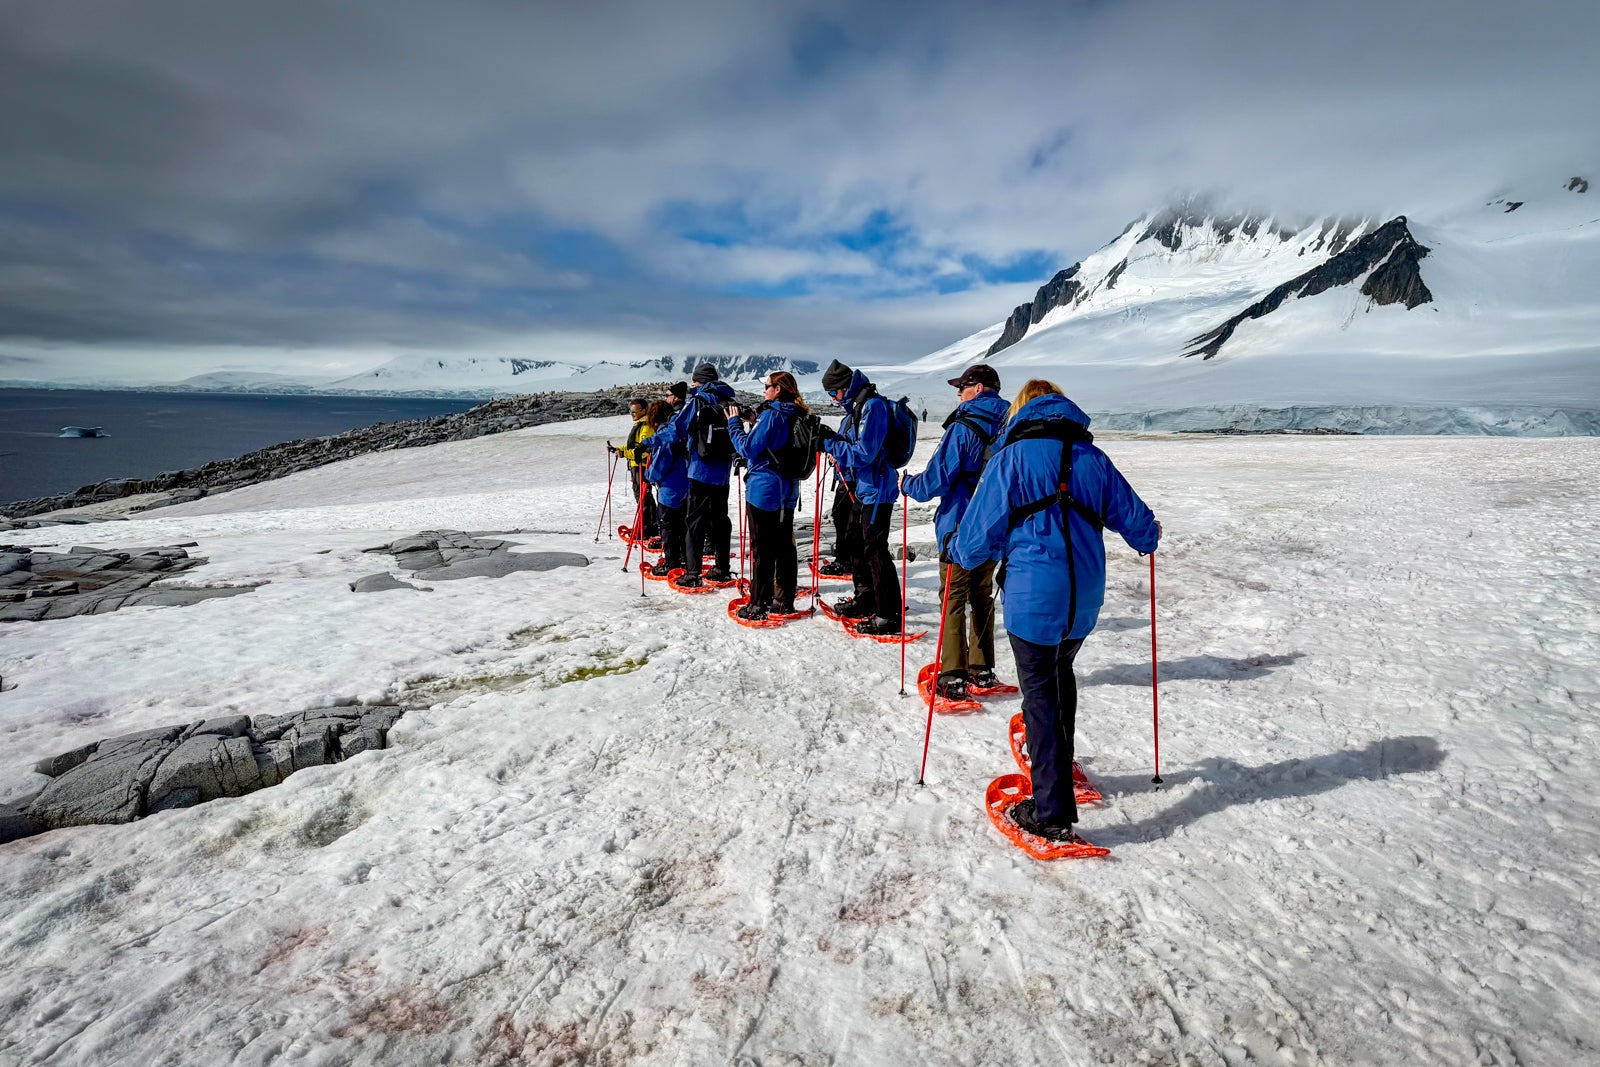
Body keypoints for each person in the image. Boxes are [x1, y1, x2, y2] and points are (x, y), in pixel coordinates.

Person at [951, 379, 1160, 846]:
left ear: (1023, 411)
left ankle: (1051, 812)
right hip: (1083, 599)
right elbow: (1143, 530)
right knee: (1061, 677)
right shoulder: (1094, 459)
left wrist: (959, 548)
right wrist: (1150, 532)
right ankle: (1058, 775)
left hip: (1033, 597)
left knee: (1041, 695)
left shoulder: (1011, 459)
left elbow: (972, 544)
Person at [901, 363, 1011, 699]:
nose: (958, 394)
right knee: (981, 596)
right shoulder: (1012, 423)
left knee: (952, 597)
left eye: (961, 387)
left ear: (978, 388)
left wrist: (909, 485)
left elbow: (938, 477)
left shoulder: (965, 424)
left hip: (961, 525)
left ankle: (952, 675)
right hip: (997, 525)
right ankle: (982, 669)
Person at [820, 359, 901, 636]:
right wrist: (833, 442)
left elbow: (865, 452)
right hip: (863, 488)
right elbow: (851, 447)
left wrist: (831, 444)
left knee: (875, 551)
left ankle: (888, 614)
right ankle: (866, 598)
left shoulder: (873, 406)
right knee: (856, 543)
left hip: (878, 489)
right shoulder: (856, 407)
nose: (832, 399)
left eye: (833, 393)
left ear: (843, 387)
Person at [726, 372, 805, 619]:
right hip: (788, 491)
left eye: (767, 387)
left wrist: (734, 424)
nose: (764, 391)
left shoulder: (772, 415)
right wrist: (755, 419)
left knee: (762, 548)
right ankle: (783, 600)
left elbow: (748, 448)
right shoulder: (798, 414)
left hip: (764, 490)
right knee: (784, 546)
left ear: (778, 389)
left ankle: (758, 603)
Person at [667, 364, 736, 587]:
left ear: (702, 382)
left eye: (695, 381)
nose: (692, 385)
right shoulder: (729, 401)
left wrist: (650, 442)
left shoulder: (698, 402)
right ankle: (722, 568)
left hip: (699, 471)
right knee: (720, 521)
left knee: (694, 523)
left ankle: (692, 573)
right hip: (722, 474)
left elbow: (677, 428)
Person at [643, 400, 689, 577]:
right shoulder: (679, 432)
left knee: (669, 527)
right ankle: (686, 559)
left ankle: (672, 562)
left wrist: (648, 475)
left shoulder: (665, 436)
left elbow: (660, 466)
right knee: (684, 526)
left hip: (670, 488)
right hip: (686, 485)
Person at [610, 397, 658, 540]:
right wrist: (617, 449)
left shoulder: (645, 427)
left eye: (633, 411)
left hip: (642, 466)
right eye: (630, 411)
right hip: (636, 466)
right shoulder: (639, 425)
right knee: (641, 497)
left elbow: (643, 449)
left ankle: (647, 529)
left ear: (643, 411)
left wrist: (624, 453)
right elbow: (633, 447)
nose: (631, 414)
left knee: (644, 497)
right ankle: (648, 527)